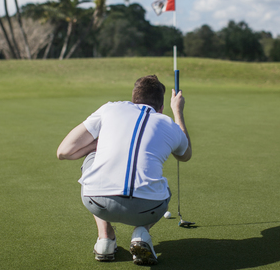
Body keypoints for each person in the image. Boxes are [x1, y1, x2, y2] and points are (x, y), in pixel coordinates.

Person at [57, 75, 192, 265]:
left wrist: (98, 145)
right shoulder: (167, 122)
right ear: (161, 108)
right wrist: (177, 112)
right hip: (150, 208)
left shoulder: (110, 108)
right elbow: (185, 155)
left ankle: (105, 238)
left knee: (92, 159)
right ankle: (141, 233)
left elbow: (63, 152)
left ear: (133, 98)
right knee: (164, 188)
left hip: (97, 201)